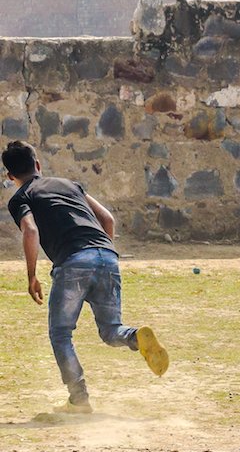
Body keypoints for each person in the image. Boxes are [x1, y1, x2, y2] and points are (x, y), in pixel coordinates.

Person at [3, 141, 168, 413]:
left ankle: (79, 400)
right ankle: (136, 337)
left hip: (72, 262)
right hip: (107, 255)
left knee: (60, 334)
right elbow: (108, 219)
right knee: (111, 330)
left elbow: (30, 231)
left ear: (10, 176)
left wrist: (31, 276)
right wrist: (103, 255)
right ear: (38, 164)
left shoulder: (21, 197)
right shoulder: (70, 185)